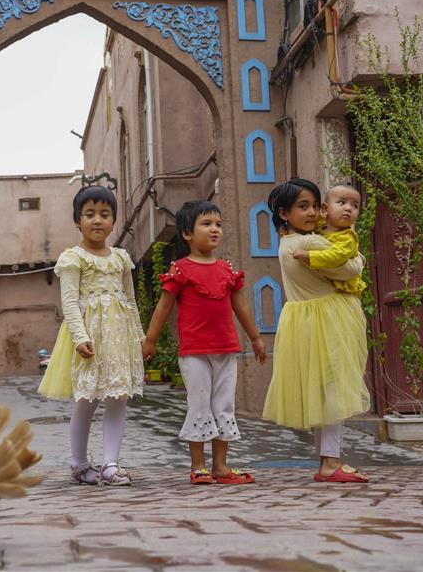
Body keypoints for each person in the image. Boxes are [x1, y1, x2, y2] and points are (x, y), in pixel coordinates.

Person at [142, 200, 267, 485]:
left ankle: (221, 467)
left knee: (224, 405)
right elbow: (163, 307)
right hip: (194, 352)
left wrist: (256, 338)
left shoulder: (227, 270)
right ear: (187, 233)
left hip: (226, 349)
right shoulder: (180, 270)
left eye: (219, 225)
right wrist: (150, 340)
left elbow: (241, 307)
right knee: (199, 404)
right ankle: (198, 466)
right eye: (207, 224)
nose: (215, 230)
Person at [262, 178, 371, 483]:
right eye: (302, 207)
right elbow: (351, 268)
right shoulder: (309, 244)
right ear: (285, 214)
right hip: (329, 319)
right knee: (335, 390)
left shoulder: (289, 243)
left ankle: (327, 461)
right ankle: (330, 462)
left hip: (307, 319)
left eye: (314, 206)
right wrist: (358, 256)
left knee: (324, 392)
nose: (312, 213)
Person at [38, 186, 144, 486]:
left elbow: (131, 300)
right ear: (77, 221)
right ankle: (79, 463)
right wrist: (80, 336)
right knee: (86, 400)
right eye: (89, 214)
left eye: (105, 215)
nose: (97, 220)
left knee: (117, 398)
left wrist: (138, 337)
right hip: (90, 338)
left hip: (119, 337)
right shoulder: (74, 258)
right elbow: (69, 302)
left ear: (114, 222)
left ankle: (111, 464)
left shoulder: (122, 258)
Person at [291, 184, 366, 295]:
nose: (349, 208)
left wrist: (309, 256)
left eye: (355, 206)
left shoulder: (348, 238)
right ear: (325, 209)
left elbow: (335, 256)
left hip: (343, 293)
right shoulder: (320, 225)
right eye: (342, 202)